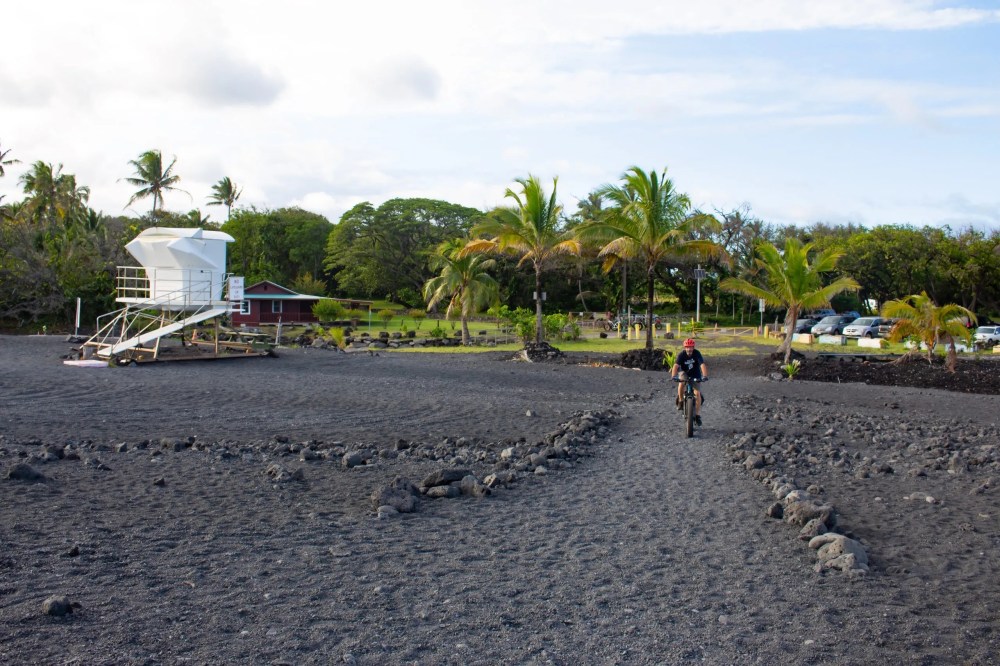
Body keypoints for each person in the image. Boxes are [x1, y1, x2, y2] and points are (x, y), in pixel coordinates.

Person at [671, 338, 708, 426]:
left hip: (695, 373)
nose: (689, 349)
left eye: (691, 347)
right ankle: (680, 401)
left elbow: (702, 364)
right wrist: (674, 376)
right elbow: (676, 366)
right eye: (687, 347)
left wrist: (705, 376)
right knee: (681, 384)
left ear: (693, 347)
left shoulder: (697, 353)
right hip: (684, 372)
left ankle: (698, 416)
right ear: (684, 347)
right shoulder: (681, 355)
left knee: (697, 393)